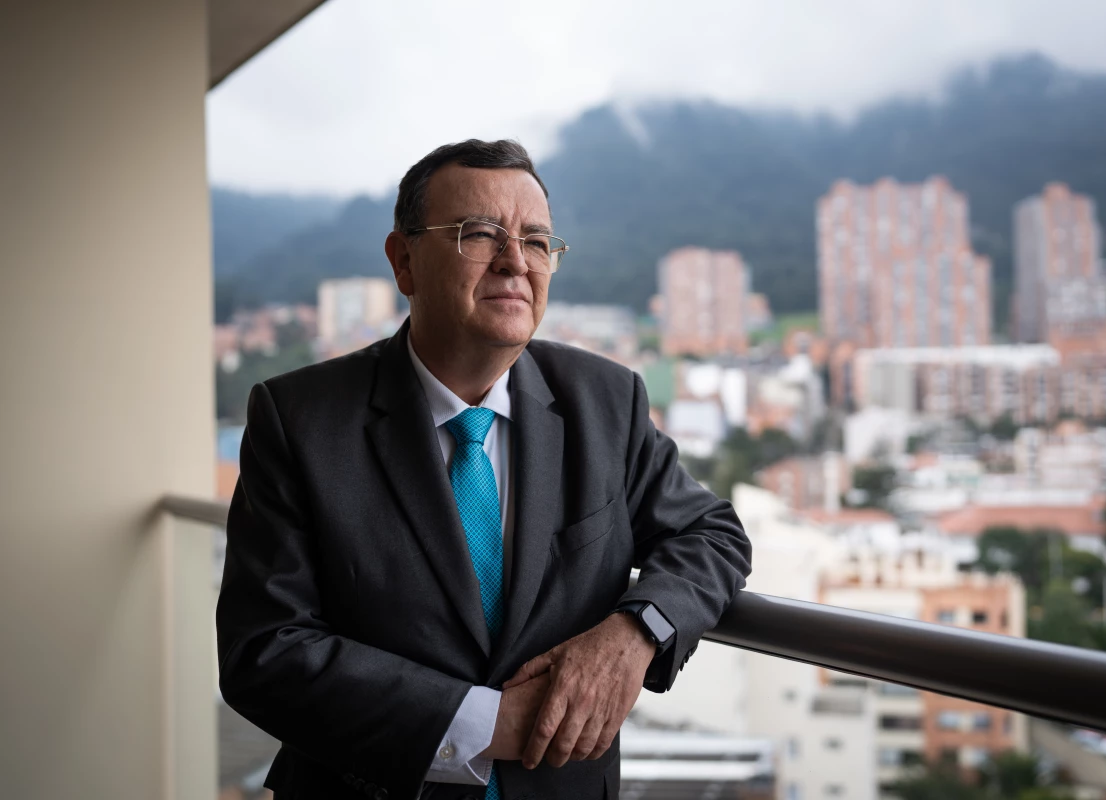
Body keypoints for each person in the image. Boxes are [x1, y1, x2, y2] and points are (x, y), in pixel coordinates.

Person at [216, 139, 752, 800]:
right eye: (480, 235)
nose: (514, 262)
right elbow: (264, 651)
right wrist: (483, 724)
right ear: (404, 260)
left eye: (536, 241)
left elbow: (712, 534)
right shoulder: (299, 419)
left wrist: (636, 630)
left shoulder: (605, 400)